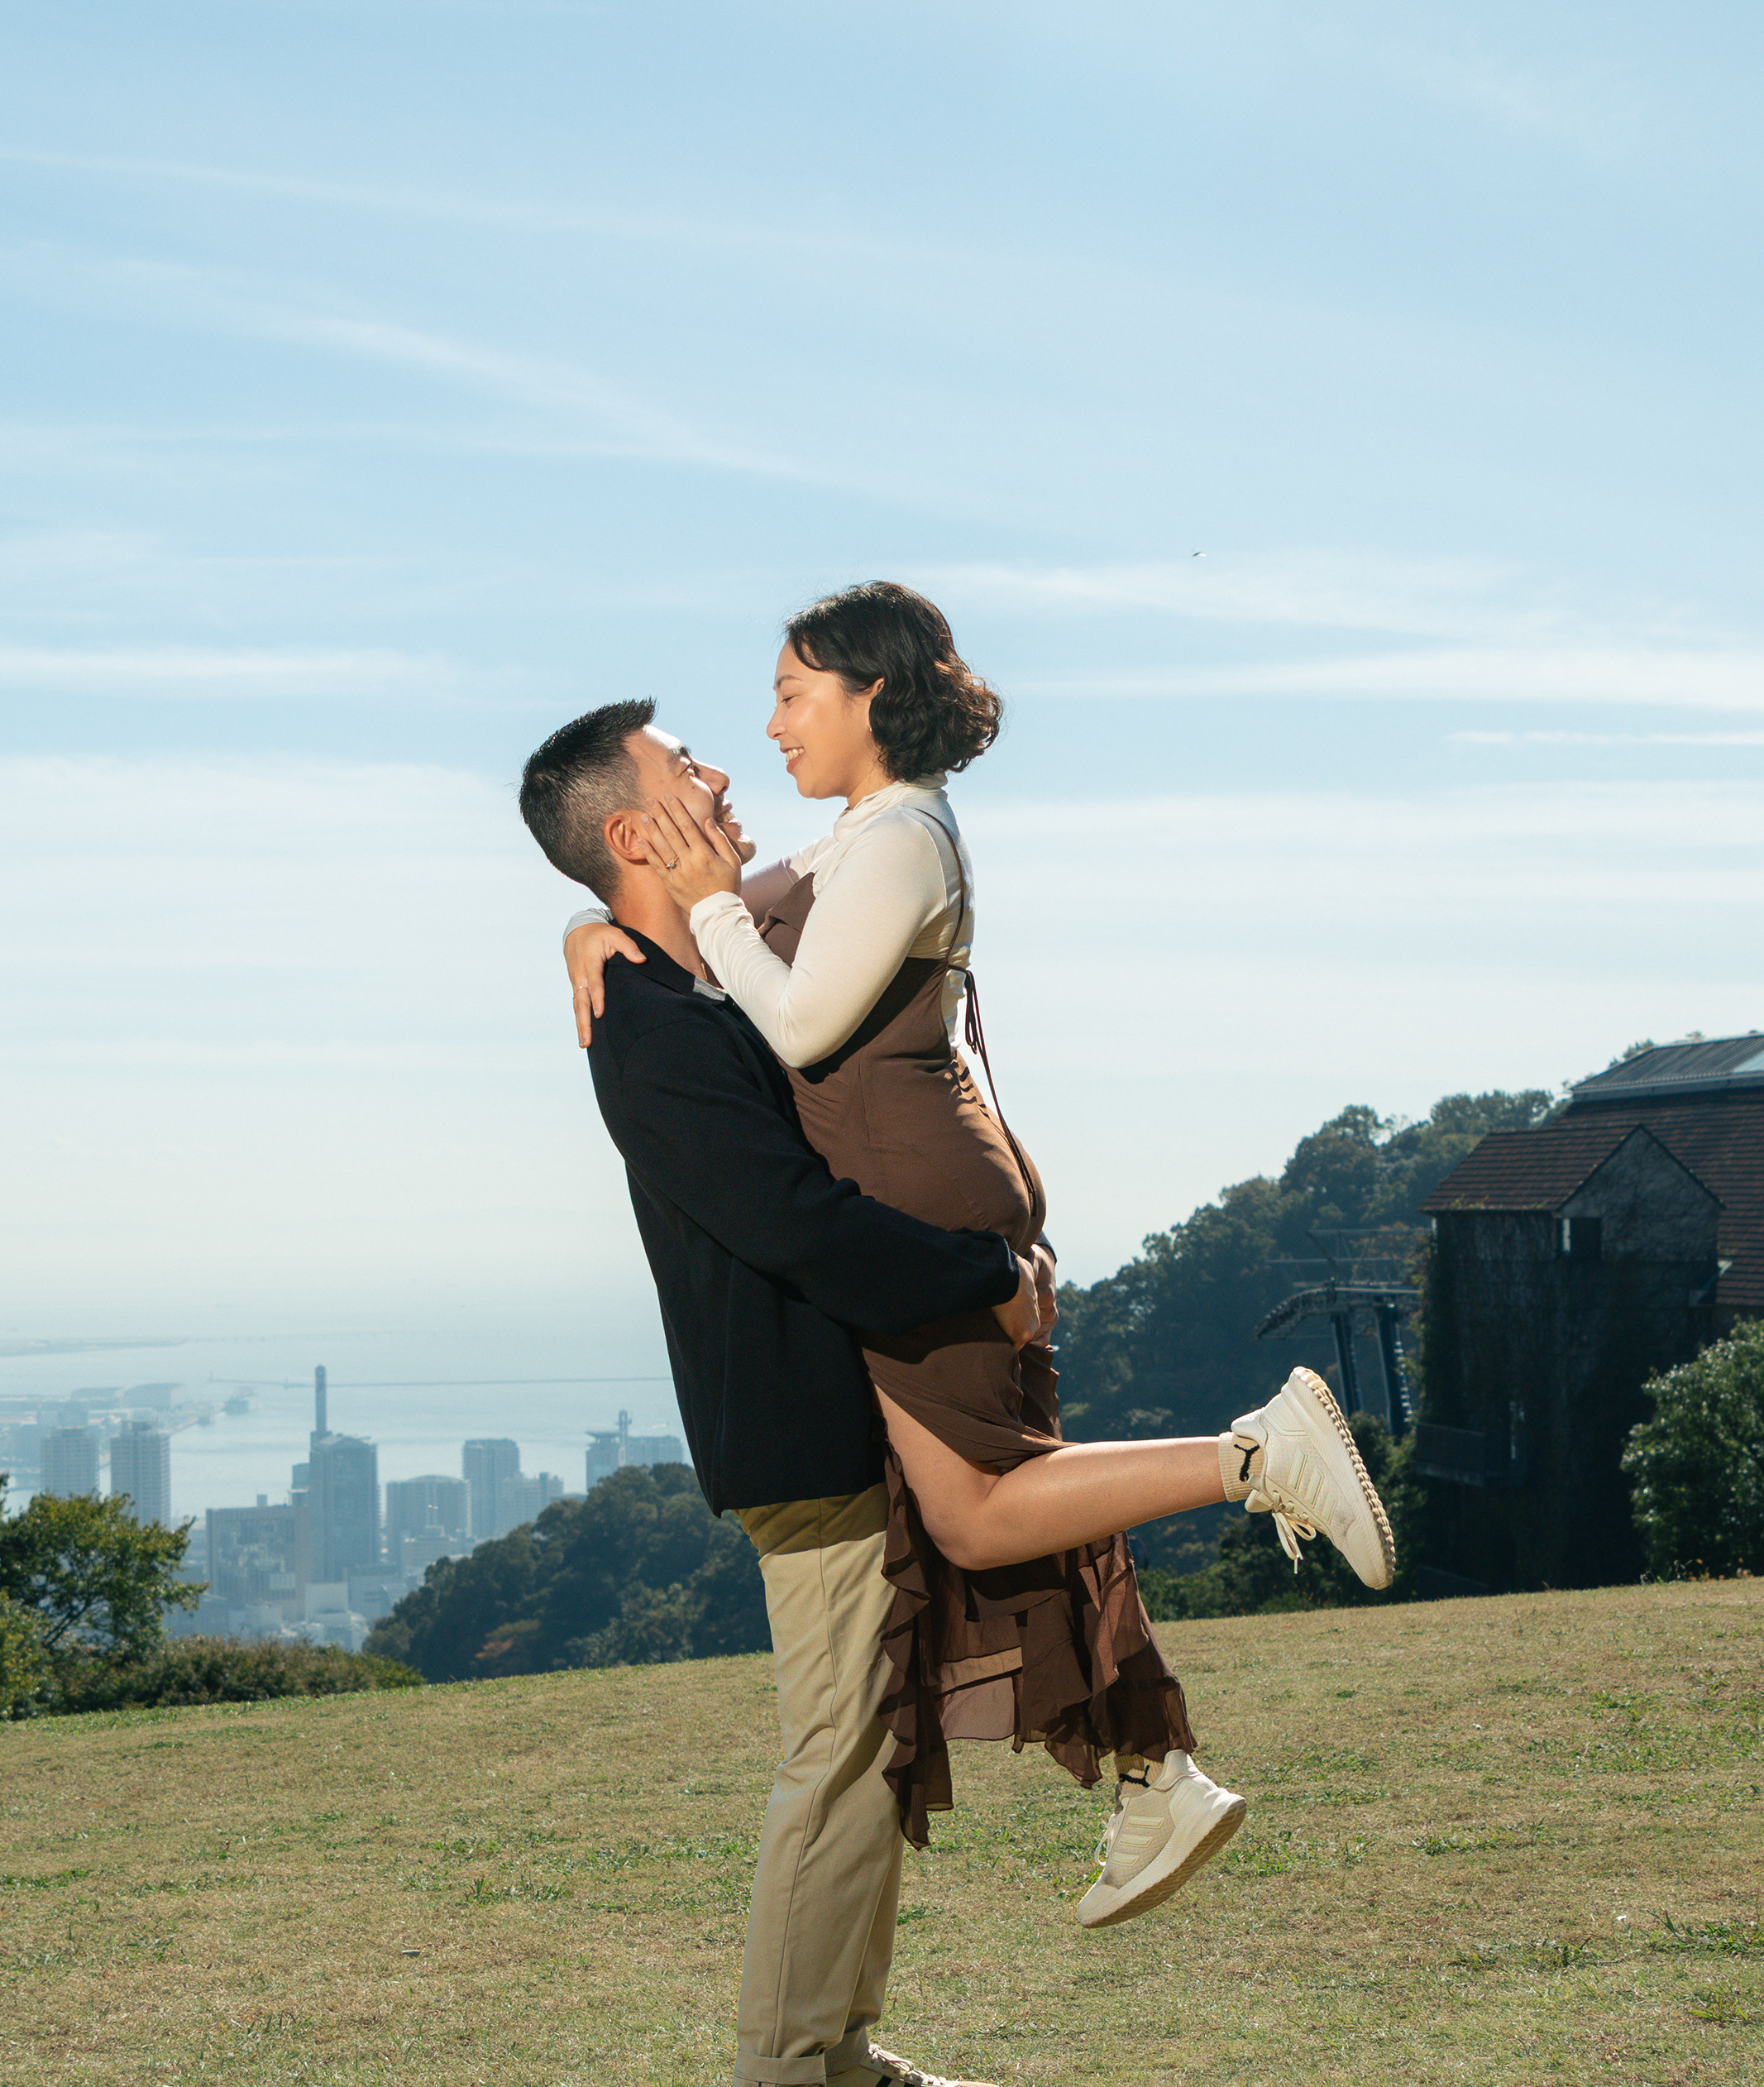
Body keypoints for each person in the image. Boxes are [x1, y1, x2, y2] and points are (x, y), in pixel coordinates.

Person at [558, 584, 1389, 1882]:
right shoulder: (862, 836)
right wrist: (591, 925)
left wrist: (705, 906)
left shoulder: (899, 839)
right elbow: (704, 940)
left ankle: (1255, 1454)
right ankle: (1153, 1769)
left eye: (791, 694)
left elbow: (788, 1014)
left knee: (980, 1513)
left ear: (871, 696)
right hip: (915, 1177)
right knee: (1023, 1489)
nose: (769, 727)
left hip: (913, 1188)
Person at [523, 696, 1045, 2087]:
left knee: (873, 1749)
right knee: (836, 1757)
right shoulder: (649, 1024)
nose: (723, 771)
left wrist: (586, 925)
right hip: (798, 1436)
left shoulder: (697, 980)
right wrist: (983, 1281)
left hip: (842, 1419)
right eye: (685, 767)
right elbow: (795, 1222)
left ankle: (837, 2050)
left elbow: (857, 874)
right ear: (636, 832)